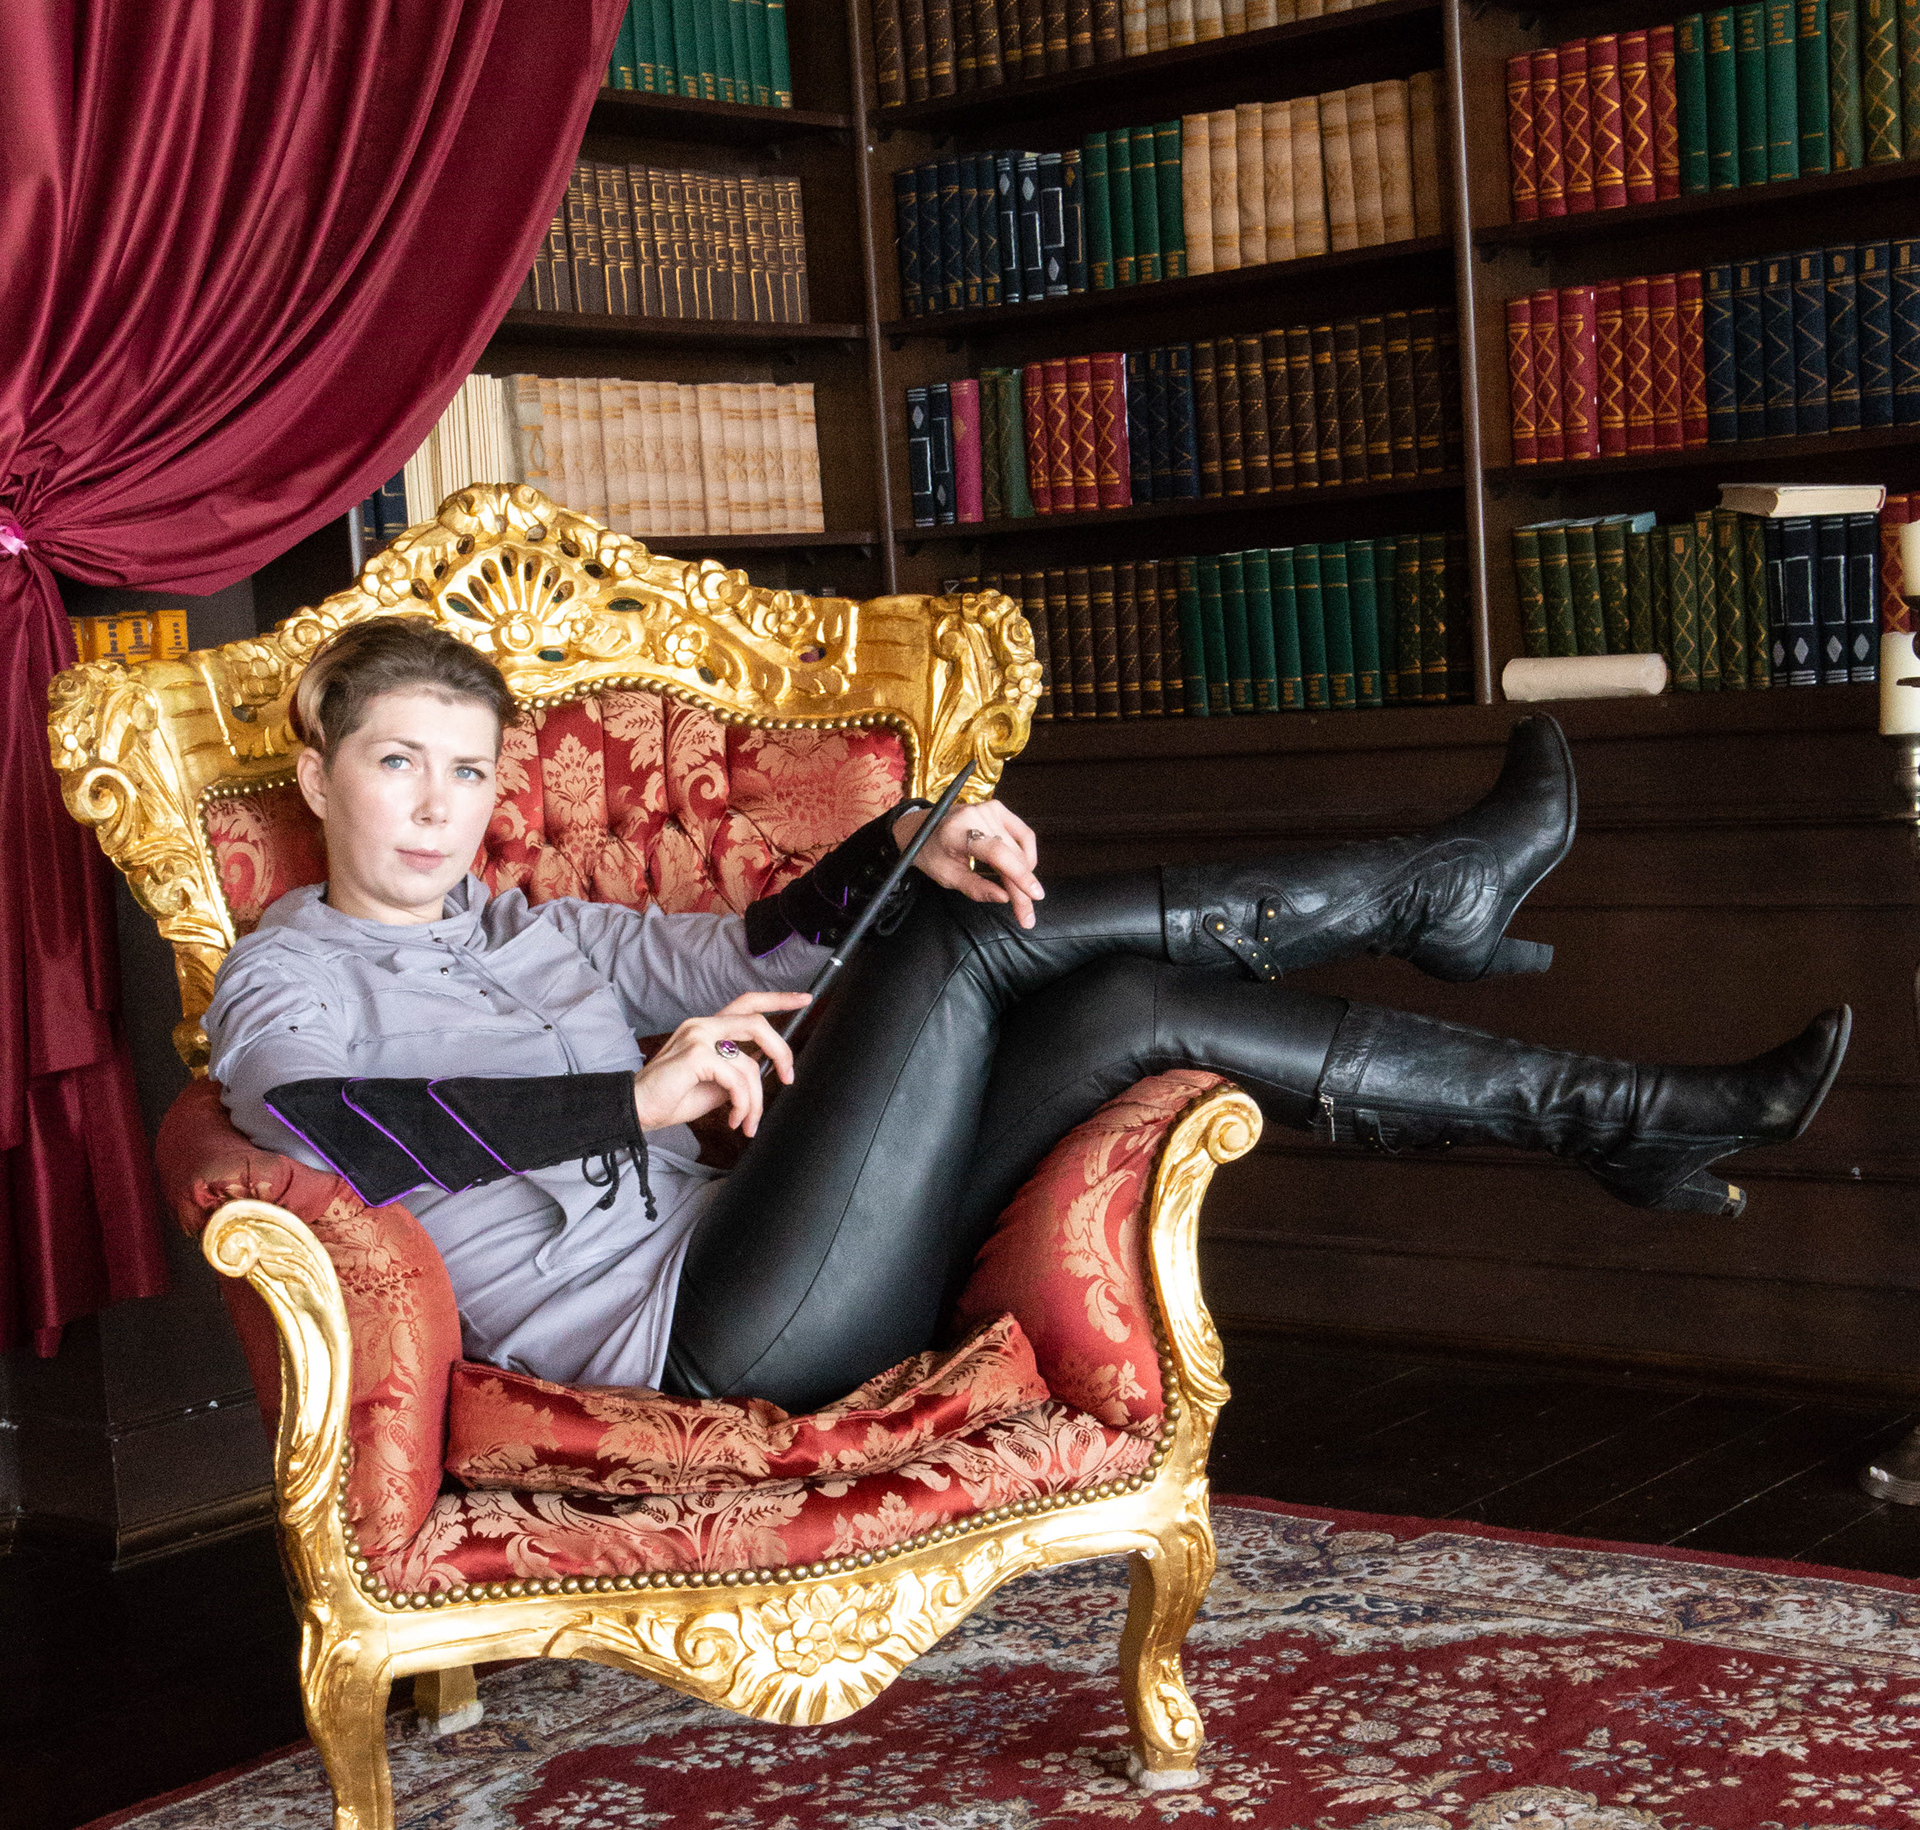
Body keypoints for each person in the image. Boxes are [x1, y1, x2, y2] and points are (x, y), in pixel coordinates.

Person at [206, 619, 1850, 1416]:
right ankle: (1418, 895)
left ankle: (1619, 1120)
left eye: (466, 769)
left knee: (1124, 1003)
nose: (436, 805)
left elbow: (754, 954)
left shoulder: (530, 925)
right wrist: (627, 1105)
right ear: (317, 776)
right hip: (702, 1335)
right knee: (967, 947)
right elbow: (324, 1127)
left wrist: (904, 844)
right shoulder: (289, 975)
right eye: (396, 763)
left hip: (791, 1248)